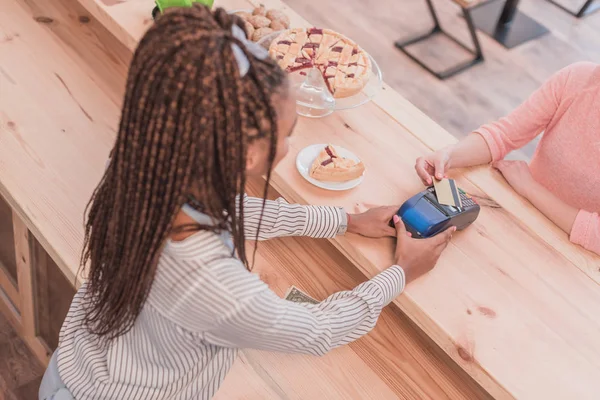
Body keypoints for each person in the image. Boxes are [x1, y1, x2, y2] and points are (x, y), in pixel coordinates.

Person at [39, 6, 454, 400]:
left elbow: (229, 212)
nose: (289, 145)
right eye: (287, 133)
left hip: (75, 370)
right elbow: (316, 331)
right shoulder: (215, 287)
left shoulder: (143, 163)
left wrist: (344, 221)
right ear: (250, 156)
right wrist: (401, 272)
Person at [415, 62, 599, 256]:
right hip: (519, 215)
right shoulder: (578, 77)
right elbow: (504, 134)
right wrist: (449, 156)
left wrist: (530, 188)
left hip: (574, 256)